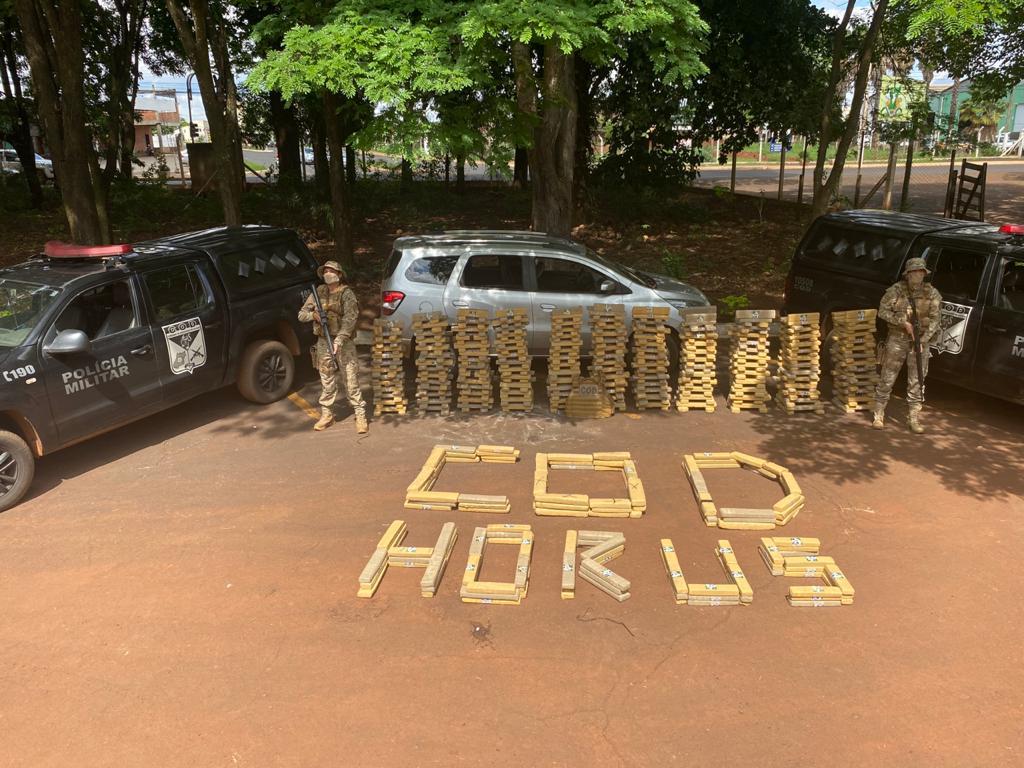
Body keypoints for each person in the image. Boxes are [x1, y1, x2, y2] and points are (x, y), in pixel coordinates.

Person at [873, 257, 942, 434]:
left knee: (917, 379)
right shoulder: (896, 290)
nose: (918, 275)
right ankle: (879, 413)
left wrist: (924, 340)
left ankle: (913, 417)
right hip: (898, 338)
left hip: (920, 342)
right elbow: (882, 311)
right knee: (888, 376)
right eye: (915, 272)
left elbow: (935, 319)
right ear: (908, 274)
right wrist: (902, 322)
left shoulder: (932, 293)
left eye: (921, 272)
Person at [297, 261, 368, 433]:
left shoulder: (347, 294)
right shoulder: (318, 292)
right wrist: (314, 315)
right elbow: (301, 315)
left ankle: (360, 414)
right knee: (326, 378)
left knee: (350, 378)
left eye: (332, 271)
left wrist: (340, 340)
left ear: (339, 274)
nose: (328, 273)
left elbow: (350, 319)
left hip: (343, 342)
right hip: (323, 341)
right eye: (326, 270)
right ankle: (327, 415)